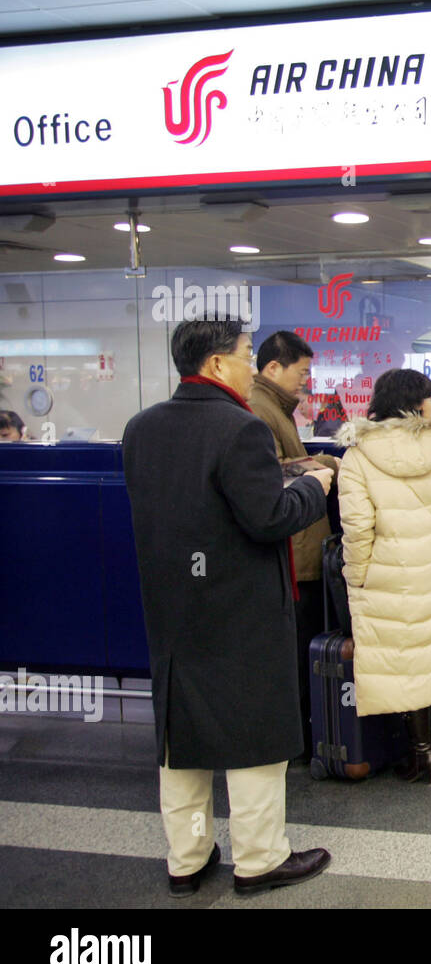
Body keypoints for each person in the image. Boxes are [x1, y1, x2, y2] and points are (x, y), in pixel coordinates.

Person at [122, 320, 334, 896]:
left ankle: (188, 857)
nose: (249, 365)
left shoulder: (140, 429)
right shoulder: (239, 428)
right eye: (243, 355)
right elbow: (268, 519)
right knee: (255, 737)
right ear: (216, 365)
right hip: (241, 609)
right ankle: (259, 858)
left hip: (172, 607)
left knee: (182, 737)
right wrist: (314, 486)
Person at [336, 369, 431, 784]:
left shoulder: (358, 455)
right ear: (414, 405)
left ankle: (422, 754)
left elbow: (357, 526)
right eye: (429, 399)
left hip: (390, 572)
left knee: (409, 660)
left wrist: (359, 575)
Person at [248, 331, 338, 760]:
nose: (306, 380)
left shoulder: (274, 408)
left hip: (301, 549)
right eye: (301, 372)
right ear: (273, 369)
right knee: (296, 651)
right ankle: (297, 742)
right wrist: (324, 464)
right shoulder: (257, 409)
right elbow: (271, 475)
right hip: (292, 553)